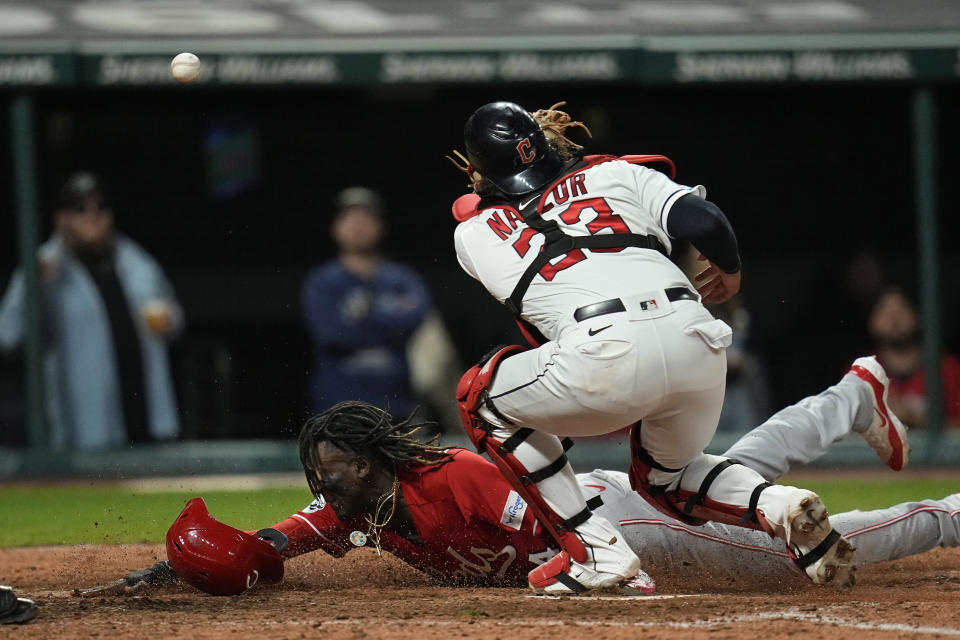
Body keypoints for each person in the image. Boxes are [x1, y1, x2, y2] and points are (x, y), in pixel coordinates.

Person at [446, 101, 882, 592]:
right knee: (665, 480)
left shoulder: (473, 233)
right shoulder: (615, 174)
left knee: (479, 397)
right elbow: (706, 221)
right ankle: (779, 506)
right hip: (698, 339)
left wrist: (480, 193)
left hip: (605, 352)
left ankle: (595, 553)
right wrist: (731, 275)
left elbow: (531, 321)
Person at [90, 356, 949, 598]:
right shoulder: (363, 505)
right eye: (322, 475)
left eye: (337, 469)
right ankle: (851, 395)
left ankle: (948, 514)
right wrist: (208, 560)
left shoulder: (451, 476)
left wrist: (582, 575)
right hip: (605, 512)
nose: (328, 487)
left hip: (611, 526)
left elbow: (561, 528)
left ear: (374, 458)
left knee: (791, 546)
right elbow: (287, 537)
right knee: (736, 474)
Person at [0, 172, 182, 450]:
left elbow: (173, 313)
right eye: (80, 208)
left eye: (100, 207)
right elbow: (8, 334)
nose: (92, 215)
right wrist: (32, 288)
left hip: (148, 421)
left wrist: (171, 320)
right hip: (86, 432)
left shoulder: (135, 259)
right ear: (61, 218)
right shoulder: (44, 266)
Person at [302, 187, 432, 417]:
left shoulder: (401, 278)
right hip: (338, 408)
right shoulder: (323, 281)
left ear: (381, 227)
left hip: (397, 406)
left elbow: (416, 320)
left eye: (366, 218)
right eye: (349, 218)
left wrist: (363, 317)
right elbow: (331, 334)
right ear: (335, 227)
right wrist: (387, 321)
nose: (357, 226)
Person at [868, 286, 960, 430]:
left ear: (918, 316)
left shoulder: (947, 369)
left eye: (902, 309)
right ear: (872, 321)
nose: (894, 319)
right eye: (884, 310)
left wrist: (915, 418)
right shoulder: (860, 372)